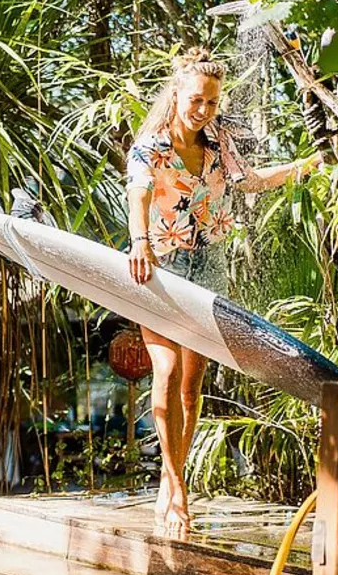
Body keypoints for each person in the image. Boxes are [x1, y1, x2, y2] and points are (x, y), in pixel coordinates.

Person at [125, 47, 322, 535]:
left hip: (208, 266)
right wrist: (139, 241)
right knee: (166, 373)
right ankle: (175, 487)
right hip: (158, 265)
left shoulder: (218, 139)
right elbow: (139, 191)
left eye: (211, 102)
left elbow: (250, 182)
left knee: (192, 387)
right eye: (196, 100)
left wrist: (307, 166)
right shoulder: (150, 145)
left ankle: (174, 482)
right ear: (177, 93)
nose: (203, 110)